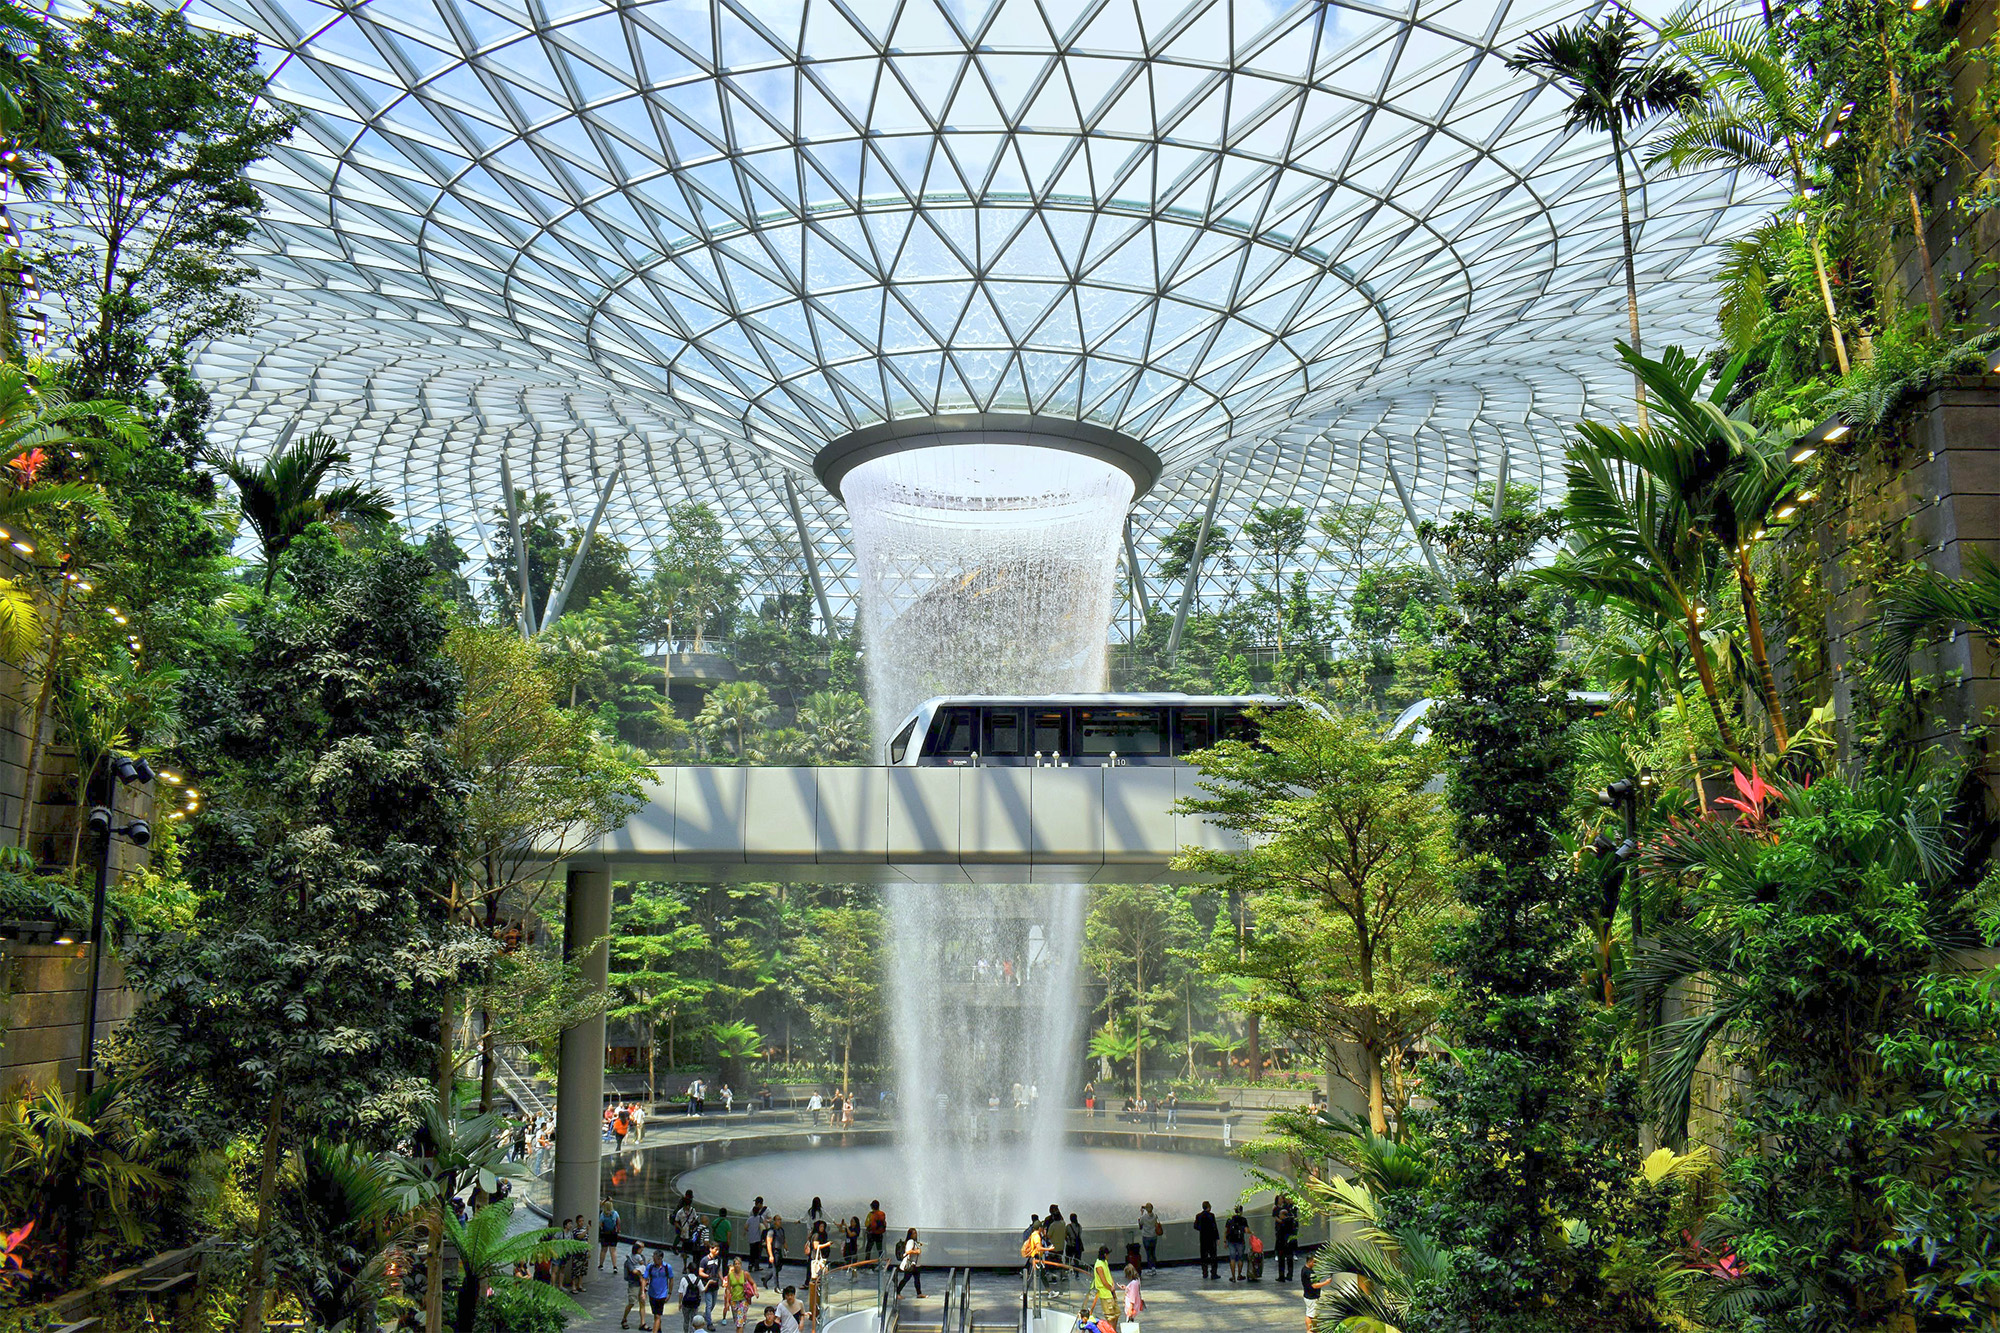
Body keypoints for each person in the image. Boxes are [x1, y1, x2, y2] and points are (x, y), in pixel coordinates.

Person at [646, 1249, 676, 1333]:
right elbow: (645, 1277)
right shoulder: (650, 1267)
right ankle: (659, 1329)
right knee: (656, 1315)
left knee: (657, 1315)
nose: (654, 1260)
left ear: (660, 1258)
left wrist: (669, 1293)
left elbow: (671, 1280)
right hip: (652, 1294)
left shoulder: (667, 1267)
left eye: (655, 1259)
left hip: (662, 1295)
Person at [622, 1242, 650, 1329]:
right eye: (641, 1248)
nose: (643, 1249)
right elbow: (633, 1271)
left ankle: (642, 1323)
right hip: (633, 1284)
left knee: (642, 1303)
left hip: (641, 1283)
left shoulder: (642, 1257)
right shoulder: (629, 1259)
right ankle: (624, 1319)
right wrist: (640, 1273)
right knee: (631, 1302)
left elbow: (644, 1268)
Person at [723, 1257, 754, 1332]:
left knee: (739, 1323)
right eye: (735, 1264)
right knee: (738, 1322)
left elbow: (753, 1283)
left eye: (739, 1264)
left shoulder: (745, 1274)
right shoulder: (730, 1275)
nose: (737, 1266)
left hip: (743, 1300)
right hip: (734, 1300)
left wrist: (755, 1292)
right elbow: (728, 1288)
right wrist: (727, 1302)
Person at [892, 1228, 924, 1298]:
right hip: (911, 1264)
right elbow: (908, 1251)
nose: (915, 1235)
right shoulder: (910, 1241)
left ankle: (919, 1293)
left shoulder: (914, 1242)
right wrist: (916, 1251)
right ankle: (897, 1292)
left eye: (915, 1233)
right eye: (914, 1233)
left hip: (916, 1264)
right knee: (906, 1279)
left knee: (917, 1279)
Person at [1274, 1198, 1298, 1282]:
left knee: (1281, 1260)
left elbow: (1279, 1234)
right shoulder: (1291, 1223)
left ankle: (1281, 1276)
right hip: (1290, 1243)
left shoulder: (1282, 1224)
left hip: (1281, 1244)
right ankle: (1290, 1275)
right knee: (1289, 1259)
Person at [1193, 1202, 1219, 1280]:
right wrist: (1217, 1237)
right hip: (1211, 1238)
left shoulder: (1198, 1216)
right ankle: (1213, 1273)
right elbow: (1214, 1227)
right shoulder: (1211, 1215)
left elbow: (1195, 1226)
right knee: (1213, 1256)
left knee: (1204, 1256)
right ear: (1208, 1207)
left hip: (1203, 1238)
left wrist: (1202, 1230)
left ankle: (1205, 1273)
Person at [701, 1243, 724, 1323]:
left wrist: (722, 1279)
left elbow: (718, 1270)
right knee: (709, 1304)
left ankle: (706, 1315)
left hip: (715, 1284)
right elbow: (700, 1272)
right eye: (716, 1249)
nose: (717, 1251)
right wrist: (708, 1276)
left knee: (713, 1304)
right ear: (711, 1249)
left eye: (718, 1250)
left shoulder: (718, 1259)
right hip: (707, 1285)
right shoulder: (705, 1260)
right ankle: (709, 1323)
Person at [679, 1262, 706, 1333]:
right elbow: (702, 1290)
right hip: (695, 1303)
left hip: (685, 1303)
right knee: (693, 1320)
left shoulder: (684, 1279)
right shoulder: (698, 1280)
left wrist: (679, 1303)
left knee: (686, 1320)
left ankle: (685, 1331)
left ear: (688, 1269)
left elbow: (681, 1292)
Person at [1224, 1205, 1248, 1281]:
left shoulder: (1230, 1219)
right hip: (1240, 1240)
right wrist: (1252, 1232)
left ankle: (1233, 1276)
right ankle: (1239, 1275)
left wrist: (1225, 1241)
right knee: (1240, 1258)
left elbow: (1226, 1231)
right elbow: (1246, 1230)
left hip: (1231, 1241)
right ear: (1241, 1211)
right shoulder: (1243, 1219)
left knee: (1232, 1258)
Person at [1091, 1246, 1115, 1319]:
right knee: (1110, 1315)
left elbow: (1109, 1274)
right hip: (1105, 1293)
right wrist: (1110, 1288)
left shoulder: (1105, 1262)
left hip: (1110, 1291)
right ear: (1105, 1254)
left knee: (1115, 1314)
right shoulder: (1099, 1265)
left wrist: (1113, 1284)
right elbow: (1103, 1280)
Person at [601, 1197, 624, 1269]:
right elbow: (618, 1221)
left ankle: (601, 1265)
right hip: (613, 1233)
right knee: (613, 1250)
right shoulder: (615, 1213)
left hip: (605, 1233)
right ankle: (614, 1266)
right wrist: (618, 1229)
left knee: (604, 1249)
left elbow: (601, 1224)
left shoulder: (603, 1215)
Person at [764, 1214, 787, 1283]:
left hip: (779, 1250)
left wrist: (786, 1249)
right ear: (774, 1221)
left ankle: (766, 1278)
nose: (780, 1221)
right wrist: (770, 1255)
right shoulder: (771, 1231)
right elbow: (768, 1243)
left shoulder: (781, 1230)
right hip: (774, 1250)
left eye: (780, 1220)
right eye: (778, 1220)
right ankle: (776, 1285)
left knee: (779, 1267)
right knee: (775, 1268)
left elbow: (783, 1240)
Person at [1137, 1204, 1160, 1272]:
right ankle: (1154, 1267)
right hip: (1154, 1236)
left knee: (1148, 1253)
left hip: (1146, 1236)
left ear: (1146, 1209)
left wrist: (1141, 1212)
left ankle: (1150, 1268)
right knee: (1153, 1252)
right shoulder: (1155, 1216)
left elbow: (1140, 1224)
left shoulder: (1144, 1217)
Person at [1302, 1260, 1323, 1333]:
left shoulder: (1304, 1269)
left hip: (1309, 1295)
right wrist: (1326, 1282)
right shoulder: (1309, 1272)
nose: (1315, 1264)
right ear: (1310, 1262)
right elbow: (1314, 1285)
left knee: (1314, 1314)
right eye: (1314, 1262)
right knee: (1310, 1314)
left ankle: (1314, 1328)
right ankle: (1309, 1330)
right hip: (1311, 1297)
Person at [1122, 1260, 1143, 1328]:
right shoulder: (1137, 1280)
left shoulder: (1133, 1283)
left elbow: (1132, 1297)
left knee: (1129, 1323)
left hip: (1131, 1307)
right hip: (1134, 1306)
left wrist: (1130, 1308)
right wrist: (1126, 1287)